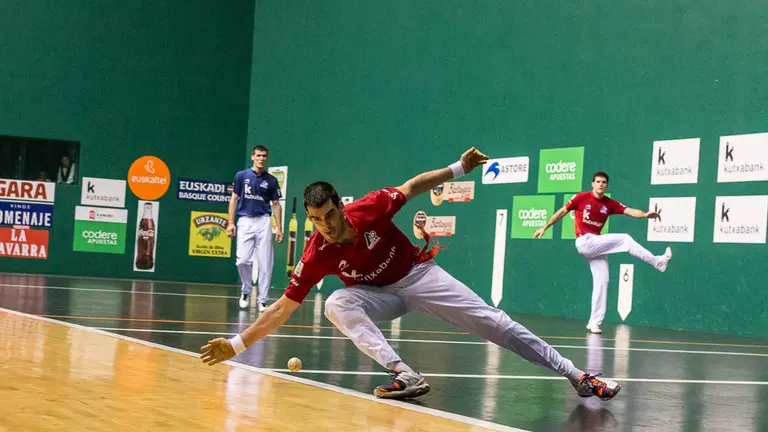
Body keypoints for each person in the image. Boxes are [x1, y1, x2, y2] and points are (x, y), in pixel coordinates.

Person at [202, 148, 621, 402]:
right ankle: (405, 373)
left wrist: (458, 168)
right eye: (315, 220)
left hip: (419, 276)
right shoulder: (317, 252)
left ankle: (578, 376)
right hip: (377, 295)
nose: (324, 226)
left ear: (339, 208)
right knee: (334, 302)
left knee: (497, 323)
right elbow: (282, 308)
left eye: (329, 216)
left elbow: (415, 185)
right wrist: (237, 344)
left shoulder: (369, 208)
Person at [533, 171, 672, 334]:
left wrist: (646, 215)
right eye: (598, 181)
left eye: (604, 182)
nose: (600, 184)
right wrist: (545, 227)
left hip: (596, 246)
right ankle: (657, 262)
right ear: (592, 183)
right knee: (625, 239)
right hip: (585, 241)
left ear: (606, 185)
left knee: (602, 281)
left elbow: (630, 211)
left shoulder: (610, 204)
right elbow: (562, 212)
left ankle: (594, 322)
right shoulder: (580, 198)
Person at [227, 145, 284, 312]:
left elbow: (276, 204)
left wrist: (279, 228)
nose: (261, 158)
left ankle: (263, 300)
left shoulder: (272, 180)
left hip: (264, 221)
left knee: (265, 263)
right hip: (245, 220)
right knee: (242, 260)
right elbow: (234, 199)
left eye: (264, 156)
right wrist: (230, 222)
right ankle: (246, 290)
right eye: (258, 155)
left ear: (266, 158)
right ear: (252, 157)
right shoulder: (241, 176)